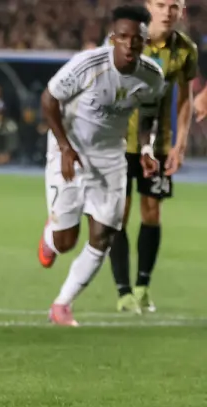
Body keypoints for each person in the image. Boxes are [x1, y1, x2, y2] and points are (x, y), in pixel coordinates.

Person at [36, 5, 166, 327]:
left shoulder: (152, 76)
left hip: (110, 157)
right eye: (123, 36)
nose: (129, 44)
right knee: (66, 242)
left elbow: (149, 113)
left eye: (137, 39)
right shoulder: (88, 64)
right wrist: (65, 147)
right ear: (113, 37)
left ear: (145, 41)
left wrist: (146, 148)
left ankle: (62, 305)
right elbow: (49, 100)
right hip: (71, 150)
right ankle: (52, 236)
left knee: (104, 234)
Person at [108, 0, 199, 314]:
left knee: (152, 212)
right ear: (149, 6)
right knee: (119, 213)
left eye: (174, 6)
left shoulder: (185, 50)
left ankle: (143, 286)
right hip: (119, 141)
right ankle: (123, 291)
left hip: (159, 143)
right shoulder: (127, 38)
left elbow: (185, 98)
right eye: (161, 4)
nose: (168, 12)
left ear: (182, 11)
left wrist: (180, 144)